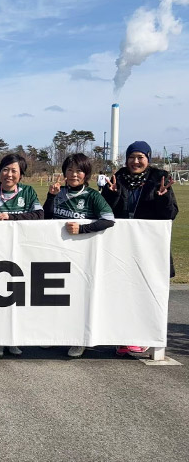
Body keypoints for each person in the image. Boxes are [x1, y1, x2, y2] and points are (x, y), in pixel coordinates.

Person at [101, 141, 178, 356]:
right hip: (121, 247)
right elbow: (104, 212)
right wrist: (111, 194)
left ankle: (142, 336)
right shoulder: (116, 179)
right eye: (131, 157)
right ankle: (122, 336)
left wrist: (163, 198)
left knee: (146, 293)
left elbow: (170, 215)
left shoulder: (159, 179)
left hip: (149, 248)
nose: (135, 161)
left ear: (148, 158)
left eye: (140, 157)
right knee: (122, 293)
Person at [43, 153, 115, 358]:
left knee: (77, 300)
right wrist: (50, 196)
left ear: (86, 174)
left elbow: (109, 220)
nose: (74, 174)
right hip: (56, 255)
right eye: (70, 170)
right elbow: (45, 217)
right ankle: (54, 336)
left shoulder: (92, 196)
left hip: (81, 258)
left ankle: (79, 340)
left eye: (79, 171)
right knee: (55, 298)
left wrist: (83, 229)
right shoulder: (59, 192)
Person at [0, 153, 44, 357]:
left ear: (21, 174)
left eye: (14, 171)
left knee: (17, 298)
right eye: (5, 170)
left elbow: (39, 215)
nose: (9, 174)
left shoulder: (29, 191)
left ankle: (14, 339)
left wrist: (10, 216)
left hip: (21, 252)